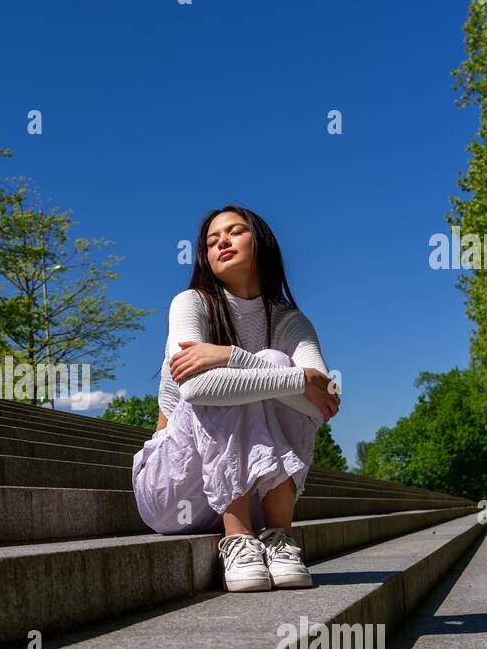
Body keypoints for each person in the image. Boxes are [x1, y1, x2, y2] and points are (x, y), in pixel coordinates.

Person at [131, 205, 340, 592]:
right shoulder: (191, 303)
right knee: (261, 372)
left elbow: (325, 401)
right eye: (212, 240)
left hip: (253, 490)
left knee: (273, 361)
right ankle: (240, 540)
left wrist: (230, 355)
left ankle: (279, 540)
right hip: (174, 489)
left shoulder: (290, 321)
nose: (221, 242)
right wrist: (290, 379)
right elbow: (194, 389)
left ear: (261, 242)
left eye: (235, 232)